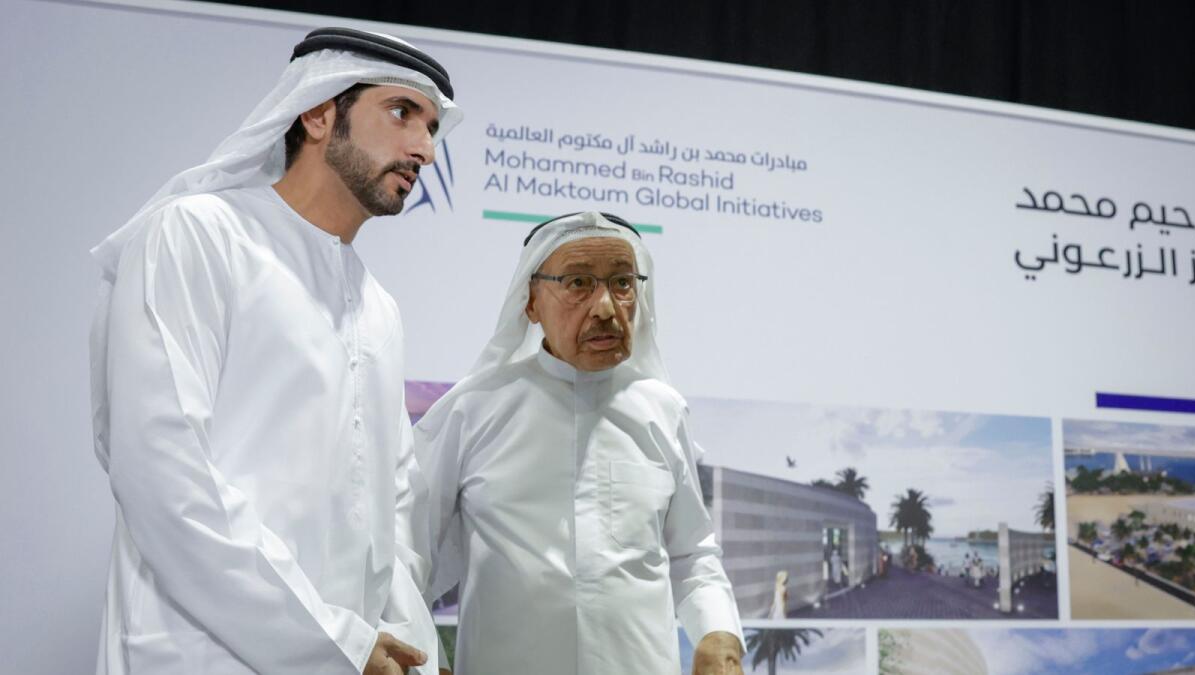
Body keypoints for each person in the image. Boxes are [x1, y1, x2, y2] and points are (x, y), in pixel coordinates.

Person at [89, 27, 462, 675]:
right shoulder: (196, 236)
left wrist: (408, 647)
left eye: (432, 127)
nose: (424, 149)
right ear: (319, 113)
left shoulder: (379, 307)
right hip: (198, 654)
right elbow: (166, 476)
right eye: (402, 112)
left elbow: (393, 510)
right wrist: (335, 641)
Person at [414, 212, 744, 674]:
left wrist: (718, 635)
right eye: (578, 283)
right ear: (531, 302)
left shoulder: (662, 412)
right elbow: (408, 551)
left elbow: (693, 554)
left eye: (623, 284)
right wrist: (420, 658)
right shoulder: (473, 410)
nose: (606, 308)